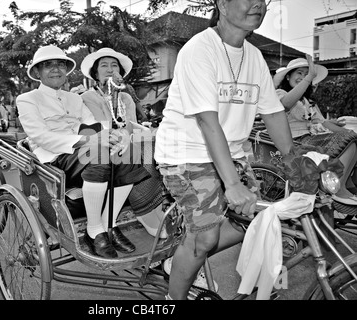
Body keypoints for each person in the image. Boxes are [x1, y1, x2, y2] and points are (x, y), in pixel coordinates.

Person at [154, 0, 294, 300]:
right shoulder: (199, 50)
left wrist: (294, 161)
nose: (257, 4)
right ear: (222, 4)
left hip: (231, 153)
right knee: (205, 237)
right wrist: (231, 184)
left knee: (256, 220)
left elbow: (273, 112)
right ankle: (173, 297)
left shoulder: (254, 56)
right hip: (187, 153)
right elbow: (207, 120)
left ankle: (183, 258)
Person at [16, 45, 151, 259]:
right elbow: (42, 137)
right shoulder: (27, 99)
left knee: (128, 151)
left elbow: (95, 125)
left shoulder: (74, 98)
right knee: (100, 153)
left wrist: (116, 137)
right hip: (53, 158)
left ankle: (109, 223)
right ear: (38, 72)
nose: (56, 69)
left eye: (60, 64)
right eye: (48, 65)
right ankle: (94, 230)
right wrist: (90, 139)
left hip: (82, 152)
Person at [80, 47, 168, 238]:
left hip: (122, 140)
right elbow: (100, 127)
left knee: (152, 145)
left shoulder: (126, 96)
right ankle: (144, 209)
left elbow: (129, 125)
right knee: (134, 152)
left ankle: (154, 206)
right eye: (104, 65)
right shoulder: (87, 97)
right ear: (95, 73)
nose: (110, 69)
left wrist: (117, 96)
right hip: (100, 144)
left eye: (114, 65)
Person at [274, 55, 357, 205]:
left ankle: (344, 184)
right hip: (293, 141)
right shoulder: (281, 94)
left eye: (306, 74)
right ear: (288, 77)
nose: (303, 77)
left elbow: (323, 123)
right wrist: (309, 78)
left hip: (309, 138)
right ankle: (336, 187)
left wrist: (348, 133)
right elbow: (285, 105)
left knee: (352, 139)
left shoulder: (308, 101)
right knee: (349, 139)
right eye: (299, 73)